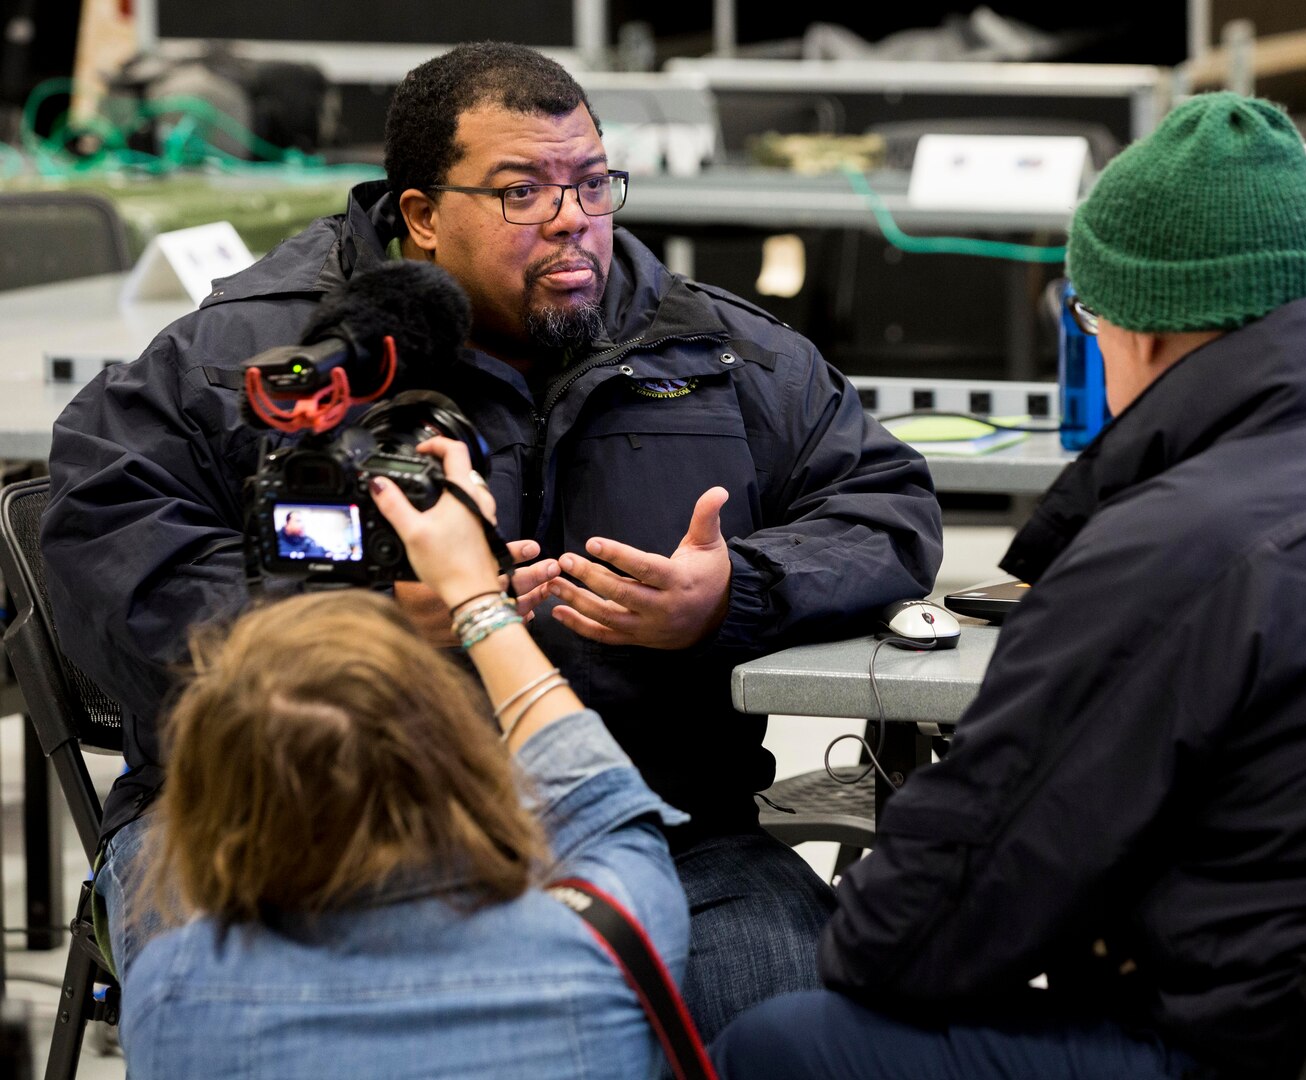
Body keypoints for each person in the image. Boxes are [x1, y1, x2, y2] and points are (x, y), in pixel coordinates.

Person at [710, 93, 1306, 1078]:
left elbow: (912, 941)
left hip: (1302, 1056)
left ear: (1139, 331)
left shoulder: (1164, 551)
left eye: (1088, 319)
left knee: (783, 1043)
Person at [42, 41, 941, 1037]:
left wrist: (736, 593)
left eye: (593, 183)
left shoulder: (714, 353)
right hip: (284, 823)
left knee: (792, 1032)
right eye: (522, 191)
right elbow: (103, 542)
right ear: (421, 215)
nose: (573, 218)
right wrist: (357, 624)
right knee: (275, 1024)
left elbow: (886, 503)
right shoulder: (263, 357)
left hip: (654, 826)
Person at [121, 436, 689, 1079]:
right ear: (456, 755)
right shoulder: (613, 941)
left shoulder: (172, 993)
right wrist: (475, 597)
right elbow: (596, 794)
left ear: (213, 793)